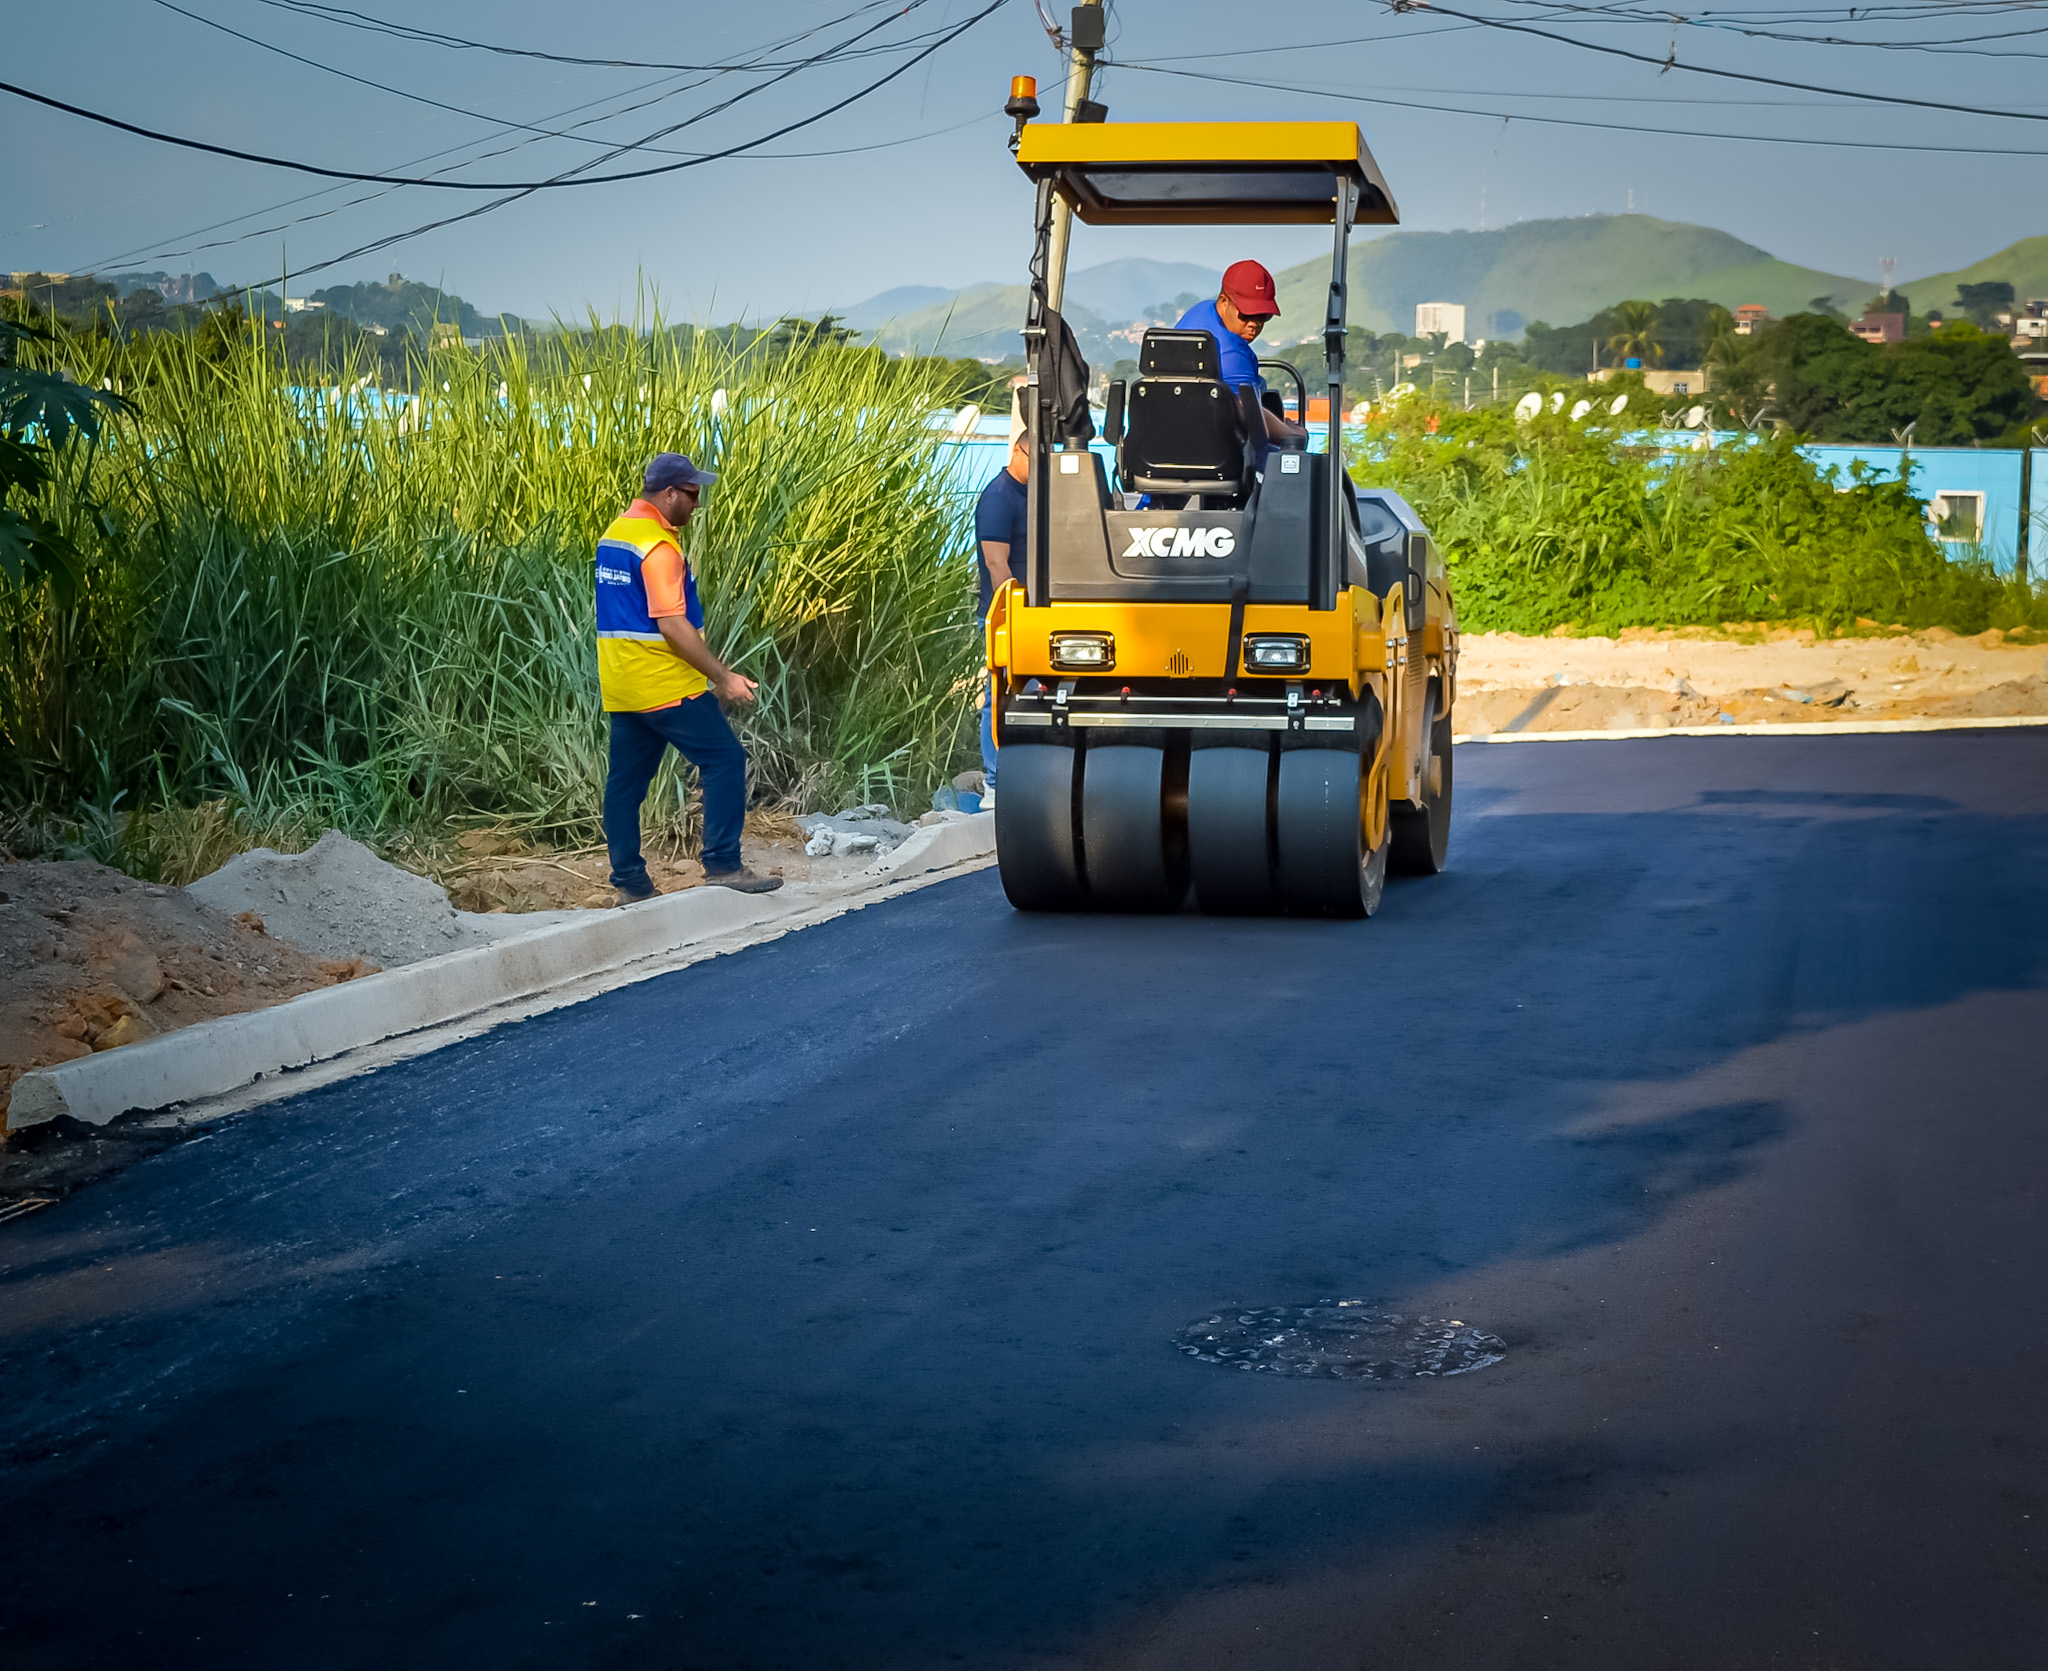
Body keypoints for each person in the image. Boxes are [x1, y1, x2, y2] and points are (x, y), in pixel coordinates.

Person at [596, 452, 782, 902]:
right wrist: (724, 676)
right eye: (693, 495)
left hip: (623, 685)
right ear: (669, 494)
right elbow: (672, 624)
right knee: (725, 760)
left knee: (624, 786)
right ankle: (723, 865)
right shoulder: (658, 547)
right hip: (666, 684)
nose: (697, 504)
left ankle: (630, 883)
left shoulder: (616, 534)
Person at [1174, 260, 1310, 452]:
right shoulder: (1231, 352)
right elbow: (1247, 412)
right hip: (1217, 452)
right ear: (1224, 302)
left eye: (1263, 316)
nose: (1254, 324)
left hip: (1175, 438)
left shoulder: (1201, 312)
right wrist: (1291, 434)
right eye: (1247, 314)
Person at [971, 408, 1030, 805]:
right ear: (1020, 453)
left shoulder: (1032, 494)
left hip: (1034, 611)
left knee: (1027, 694)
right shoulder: (999, 497)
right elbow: (996, 563)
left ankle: (1022, 771)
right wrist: (1012, 615)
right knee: (998, 695)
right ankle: (994, 782)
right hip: (1003, 614)